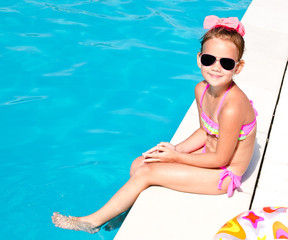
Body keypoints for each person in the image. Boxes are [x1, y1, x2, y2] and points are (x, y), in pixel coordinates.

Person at [52, 15, 257, 234]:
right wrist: (175, 149)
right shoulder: (202, 89)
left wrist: (176, 157)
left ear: (238, 67)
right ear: (199, 59)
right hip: (210, 156)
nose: (216, 68)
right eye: (209, 60)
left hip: (224, 174)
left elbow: (221, 159)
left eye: (226, 63)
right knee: (139, 163)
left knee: (148, 172)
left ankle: (91, 222)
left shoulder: (232, 107)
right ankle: (124, 213)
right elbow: (205, 131)